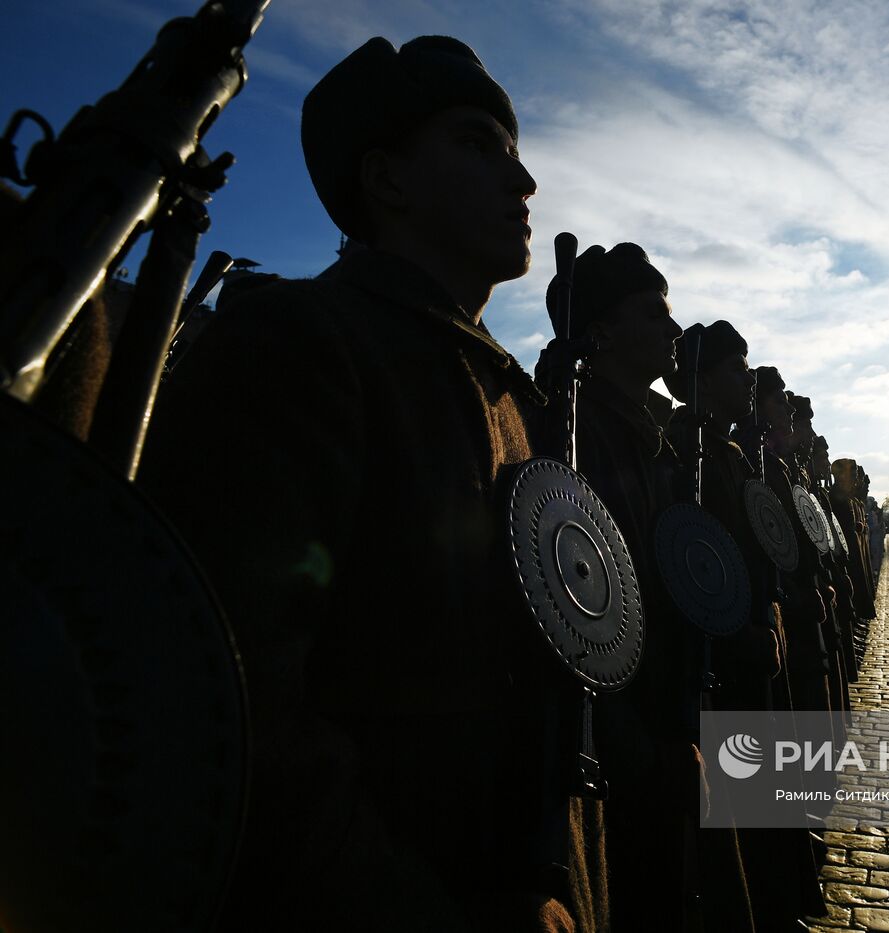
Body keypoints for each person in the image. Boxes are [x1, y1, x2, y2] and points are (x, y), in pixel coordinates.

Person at [140, 36, 603, 932]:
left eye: (513, 150)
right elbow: (232, 704)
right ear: (388, 181)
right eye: (478, 144)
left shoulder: (511, 397)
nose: (525, 182)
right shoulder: (299, 344)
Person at [566, 244, 754, 933]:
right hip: (625, 723)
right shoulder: (581, 428)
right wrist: (635, 741)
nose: (672, 329)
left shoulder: (660, 443)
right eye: (653, 312)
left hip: (672, 703)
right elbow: (582, 599)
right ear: (604, 331)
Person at [663, 320, 824, 932]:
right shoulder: (688, 447)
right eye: (735, 371)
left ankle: (779, 898)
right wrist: (736, 630)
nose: (748, 385)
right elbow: (695, 560)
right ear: (703, 378)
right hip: (724, 655)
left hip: (759, 639)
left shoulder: (734, 453)